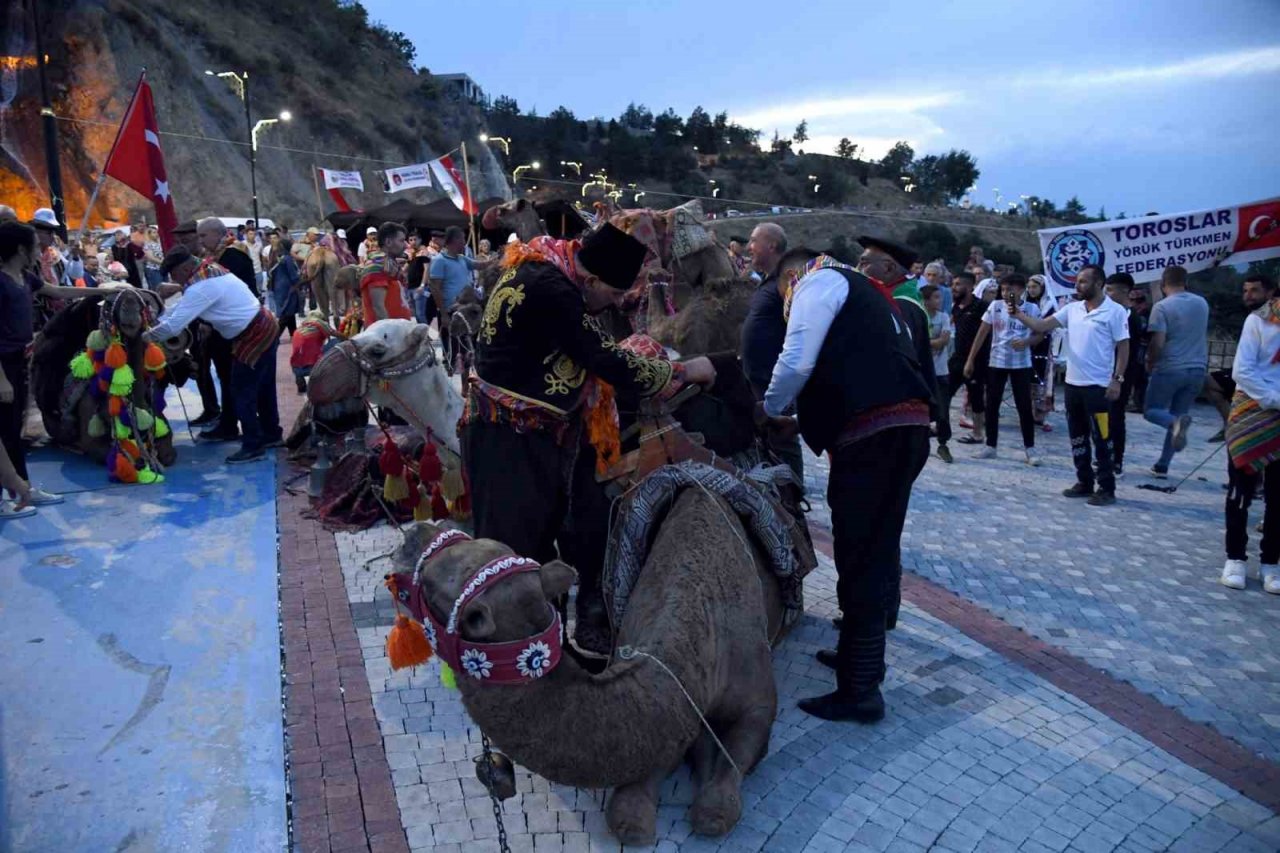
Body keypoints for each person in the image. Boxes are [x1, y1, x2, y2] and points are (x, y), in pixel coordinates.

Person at [465, 223, 715, 654]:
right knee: (520, 551)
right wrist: (682, 372)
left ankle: (543, 643)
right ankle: (519, 654)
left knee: (526, 543)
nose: (617, 304)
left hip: (510, 433)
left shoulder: (538, 265)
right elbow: (601, 357)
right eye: (615, 295)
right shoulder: (555, 290)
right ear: (593, 280)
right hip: (515, 441)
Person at [760, 245, 932, 723]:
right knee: (874, 548)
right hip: (904, 428)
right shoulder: (869, 295)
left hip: (874, 437)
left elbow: (796, 361)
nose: (787, 306)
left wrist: (770, 409)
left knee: (860, 554)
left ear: (790, 276)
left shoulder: (819, 280)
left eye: (782, 297)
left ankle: (860, 690)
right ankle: (860, 656)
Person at [146, 247, 281, 464]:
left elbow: (173, 326)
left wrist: (144, 337)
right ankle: (271, 433)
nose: (174, 279)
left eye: (174, 273)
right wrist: (156, 321)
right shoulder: (210, 271)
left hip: (255, 333)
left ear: (186, 268)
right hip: (262, 324)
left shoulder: (201, 287)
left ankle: (253, 445)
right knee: (262, 386)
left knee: (241, 390)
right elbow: (180, 309)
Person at [1015, 264, 1129, 506]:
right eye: (1077, 281)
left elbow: (1123, 346)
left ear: (1098, 284)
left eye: (1083, 282)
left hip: (1098, 387)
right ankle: (1084, 481)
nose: (1077, 286)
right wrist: (1017, 313)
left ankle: (1107, 487)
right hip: (1072, 385)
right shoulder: (1072, 309)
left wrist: (1117, 379)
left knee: (1102, 438)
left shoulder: (1115, 312)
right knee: (1077, 436)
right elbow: (1041, 326)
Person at [0, 221, 73, 514]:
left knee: (13, 429)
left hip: (18, 361)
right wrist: (2, 380)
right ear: (20, 248)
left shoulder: (23, 277)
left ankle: (22, 488)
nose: (39, 249)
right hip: (3, 366)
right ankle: (10, 494)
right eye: (34, 243)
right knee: (4, 431)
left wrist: (102, 291)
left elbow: (56, 291)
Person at [1222, 273, 1280, 594]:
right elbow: (1242, 370)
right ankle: (1235, 558)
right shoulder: (1258, 321)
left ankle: (1271, 562)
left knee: (1278, 497)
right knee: (1240, 491)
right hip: (1252, 413)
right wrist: (1275, 399)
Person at [739, 222, 804, 486]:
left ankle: (793, 492)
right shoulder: (769, 282)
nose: (748, 247)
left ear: (772, 245)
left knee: (781, 434)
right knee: (765, 438)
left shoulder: (787, 282)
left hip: (774, 380)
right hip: (757, 378)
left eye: (754, 241)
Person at [963, 274, 1042, 465]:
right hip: (997, 362)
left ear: (1021, 290)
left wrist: (1026, 342)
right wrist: (970, 359)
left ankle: (1030, 449)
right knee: (992, 404)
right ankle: (991, 445)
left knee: (1024, 406)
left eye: (1011, 290)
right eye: (1004, 289)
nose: (1007, 293)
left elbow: (1040, 334)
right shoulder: (995, 306)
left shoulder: (1031, 308)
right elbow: (982, 333)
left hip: (1021, 364)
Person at [1144, 265, 1209, 479]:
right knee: (1179, 414)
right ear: (1186, 282)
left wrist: (1151, 362)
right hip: (1198, 369)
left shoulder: (1162, 307)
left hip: (1170, 368)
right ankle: (1162, 465)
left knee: (1153, 410)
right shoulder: (1202, 303)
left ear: (1163, 285)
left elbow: (1158, 341)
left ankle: (1174, 425)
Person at [1207, 274, 1277, 442]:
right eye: (1245, 290)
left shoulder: (1257, 319)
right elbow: (1243, 369)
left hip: (1259, 399)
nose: (1248, 295)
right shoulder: (1256, 317)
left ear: (1270, 292)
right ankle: (1226, 422)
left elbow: (1242, 371)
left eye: (1254, 290)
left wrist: (1272, 399)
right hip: (1258, 394)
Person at [428, 226, 497, 367]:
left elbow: (479, 265)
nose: (465, 242)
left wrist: (495, 260)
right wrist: (444, 314)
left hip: (466, 311)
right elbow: (435, 289)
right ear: (454, 240)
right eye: (463, 239)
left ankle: (466, 386)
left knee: (467, 353)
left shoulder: (462, 258)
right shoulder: (439, 260)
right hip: (451, 312)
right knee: (455, 354)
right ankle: (454, 383)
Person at [1103, 273, 1138, 475]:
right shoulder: (1110, 312)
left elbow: (1126, 349)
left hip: (1121, 374)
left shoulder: (1130, 317)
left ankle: (1116, 458)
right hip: (1103, 371)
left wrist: (1118, 377)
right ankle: (1105, 454)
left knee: (1116, 415)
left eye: (1110, 290)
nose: (1106, 294)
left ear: (1124, 291)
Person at [948, 271, 988, 445]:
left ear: (970, 287)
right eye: (953, 284)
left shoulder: (981, 307)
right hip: (957, 358)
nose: (954, 288)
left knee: (976, 396)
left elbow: (984, 336)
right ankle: (939, 425)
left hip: (976, 360)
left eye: (958, 284)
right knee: (943, 392)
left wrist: (971, 360)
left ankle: (978, 434)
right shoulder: (955, 307)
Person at [359, 222, 414, 323]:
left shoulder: (390, 266)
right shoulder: (377, 268)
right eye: (401, 240)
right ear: (388, 242)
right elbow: (378, 308)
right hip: (385, 335)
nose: (406, 245)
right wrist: (389, 335)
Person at [923, 283, 954, 462]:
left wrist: (928, 342)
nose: (939, 300)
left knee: (943, 410)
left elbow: (943, 341)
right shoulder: (920, 316)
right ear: (926, 301)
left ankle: (943, 443)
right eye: (935, 297)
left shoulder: (943, 317)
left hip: (941, 371)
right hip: (924, 370)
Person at [1026, 274, 1058, 428]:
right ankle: (1027, 411)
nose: (1031, 290)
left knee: (1041, 378)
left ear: (1043, 288)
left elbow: (1046, 325)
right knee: (1027, 378)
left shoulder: (1050, 305)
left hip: (1043, 345)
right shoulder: (1024, 304)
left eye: (1035, 287)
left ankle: (1040, 413)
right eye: (1030, 287)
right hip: (1027, 345)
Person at [290, 311, 332, 395]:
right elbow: (334, 334)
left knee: (301, 355)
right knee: (334, 343)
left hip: (296, 365)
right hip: (313, 365)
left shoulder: (298, 330)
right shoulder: (320, 326)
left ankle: (301, 385)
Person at [272, 237, 302, 337]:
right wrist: (301, 280)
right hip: (288, 289)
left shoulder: (279, 259)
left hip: (279, 288)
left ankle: (293, 333)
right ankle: (275, 336)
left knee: (290, 312)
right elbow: (293, 277)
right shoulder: (288, 259)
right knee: (286, 313)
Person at [244, 225, 267, 294]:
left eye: (254, 234)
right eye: (250, 234)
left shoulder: (259, 244)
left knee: (259, 291)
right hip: (248, 272)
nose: (252, 236)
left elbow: (262, 256)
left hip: (258, 271)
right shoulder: (242, 244)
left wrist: (263, 267)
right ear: (246, 235)